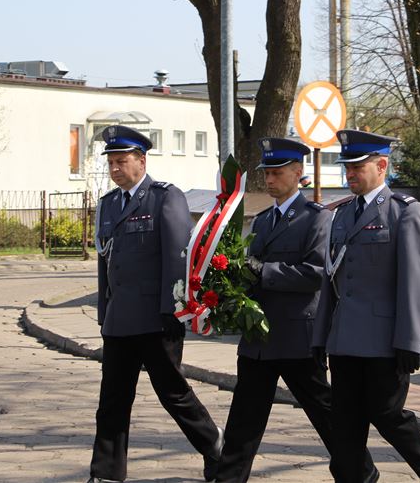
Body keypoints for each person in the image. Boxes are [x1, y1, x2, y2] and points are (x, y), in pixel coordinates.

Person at [214, 138, 377, 483]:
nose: (269, 179)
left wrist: (264, 271)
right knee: (244, 417)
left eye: (277, 173)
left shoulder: (316, 218)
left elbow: (316, 274)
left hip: (297, 336)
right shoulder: (262, 221)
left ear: (297, 172)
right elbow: (250, 270)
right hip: (258, 339)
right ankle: (229, 478)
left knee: (325, 413)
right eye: (266, 173)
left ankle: (361, 472)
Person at [312, 129, 420, 483]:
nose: (350, 173)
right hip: (344, 340)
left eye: (357, 167)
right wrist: (320, 336)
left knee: (387, 414)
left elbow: (417, 281)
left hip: (383, 341)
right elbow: (331, 281)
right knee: (344, 423)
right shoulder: (342, 214)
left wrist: (410, 340)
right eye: (347, 167)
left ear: (381, 166)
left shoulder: (404, 212)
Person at [89, 125, 223, 483]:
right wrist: (104, 313)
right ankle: (106, 473)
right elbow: (105, 265)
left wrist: (173, 310)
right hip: (119, 320)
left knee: (173, 393)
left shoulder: (164, 197)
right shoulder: (108, 205)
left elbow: (177, 257)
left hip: (155, 319)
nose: (115, 168)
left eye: (122, 161)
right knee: (112, 401)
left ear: (141, 161)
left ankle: (215, 447)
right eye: (111, 163)